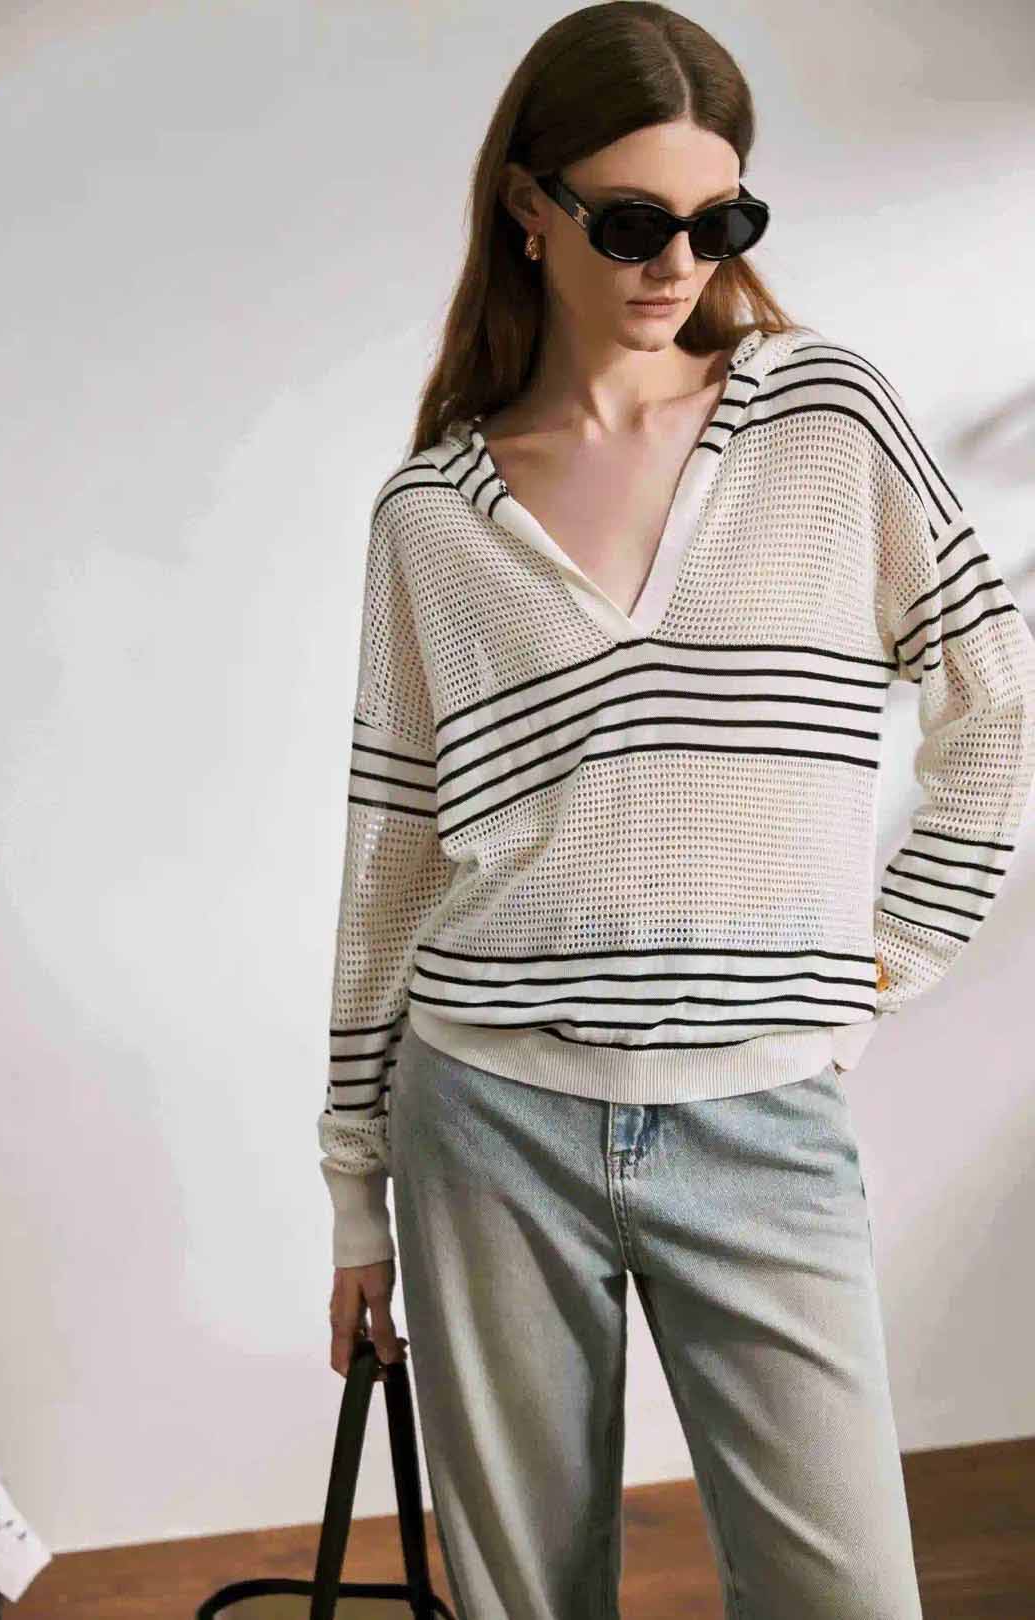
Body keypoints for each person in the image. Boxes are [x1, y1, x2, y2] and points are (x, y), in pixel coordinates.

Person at [321, 5, 1035, 1616]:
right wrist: (356, 1190)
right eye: (634, 223)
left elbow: (996, 699)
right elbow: (392, 855)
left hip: (760, 1118)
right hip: (486, 1118)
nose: (680, 265)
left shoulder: (826, 419)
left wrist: (887, 959)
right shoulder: (431, 513)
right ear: (530, 207)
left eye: (722, 224)